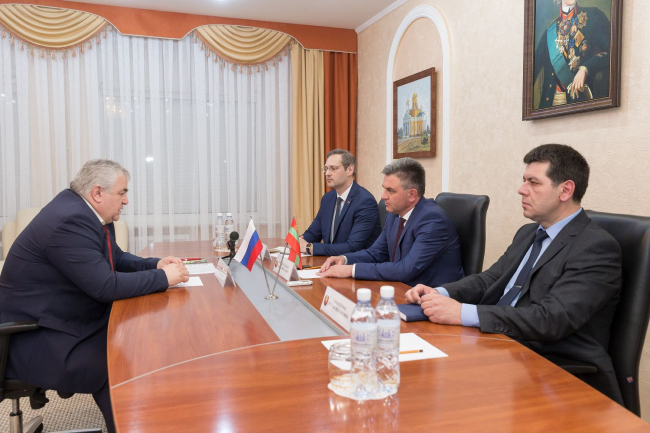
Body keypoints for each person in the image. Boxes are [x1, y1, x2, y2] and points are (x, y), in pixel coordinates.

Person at [405, 144, 623, 404]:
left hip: (552, 370)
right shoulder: (528, 233)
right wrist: (440, 292)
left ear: (565, 190)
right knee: (416, 378)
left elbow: (551, 320)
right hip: (498, 344)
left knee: (440, 397)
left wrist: (462, 312)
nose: (521, 189)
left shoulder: (595, 247)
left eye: (533, 182)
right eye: (524, 180)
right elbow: (490, 279)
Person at [0, 159, 189, 433]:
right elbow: (105, 286)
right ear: (98, 192)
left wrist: (155, 264)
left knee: (137, 337)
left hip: (60, 317)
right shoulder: (70, 221)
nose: (126, 201)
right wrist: (163, 278)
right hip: (32, 336)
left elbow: (116, 257)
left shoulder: (87, 212)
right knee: (116, 363)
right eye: (122, 193)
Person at [318, 157, 464, 287]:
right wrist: (344, 259)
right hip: (402, 288)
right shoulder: (394, 214)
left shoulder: (433, 220)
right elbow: (376, 253)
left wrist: (351, 270)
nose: (383, 196)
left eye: (390, 191)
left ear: (412, 195)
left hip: (432, 298)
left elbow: (405, 270)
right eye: (384, 189)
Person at [300, 149, 381, 256]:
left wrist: (309, 247)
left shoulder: (365, 201)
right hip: (330, 261)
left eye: (333, 168)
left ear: (350, 170)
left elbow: (352, 247)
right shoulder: (327, 199)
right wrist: (298, 241)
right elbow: (313, 233)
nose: (327, 173)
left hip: (356, 263)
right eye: (326, 169)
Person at [533, 0, 611, 108]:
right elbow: (532, 70)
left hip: (580, 104)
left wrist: (586, 68)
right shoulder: (549, 32)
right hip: (549, 107)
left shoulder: (594, 16)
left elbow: (612, 51)